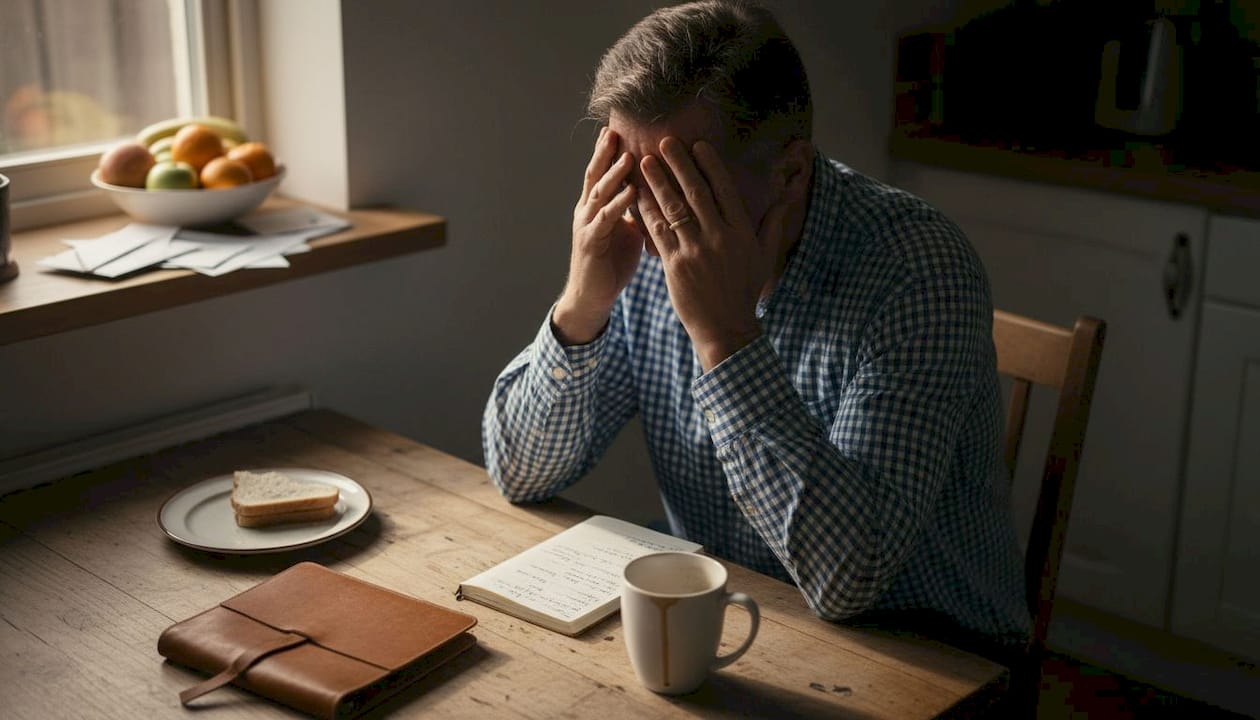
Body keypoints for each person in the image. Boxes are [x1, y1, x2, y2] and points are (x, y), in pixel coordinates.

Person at [482, 0, 1031, 652]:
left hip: (928, 649)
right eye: (631, 179)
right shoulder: (637, 249)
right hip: (737, 618)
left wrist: (726, 338)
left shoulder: (917, 270)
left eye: (682, 184)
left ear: (791, 170)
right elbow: (520, 473)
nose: (652, 219)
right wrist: (581, 305)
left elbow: (849, 577)